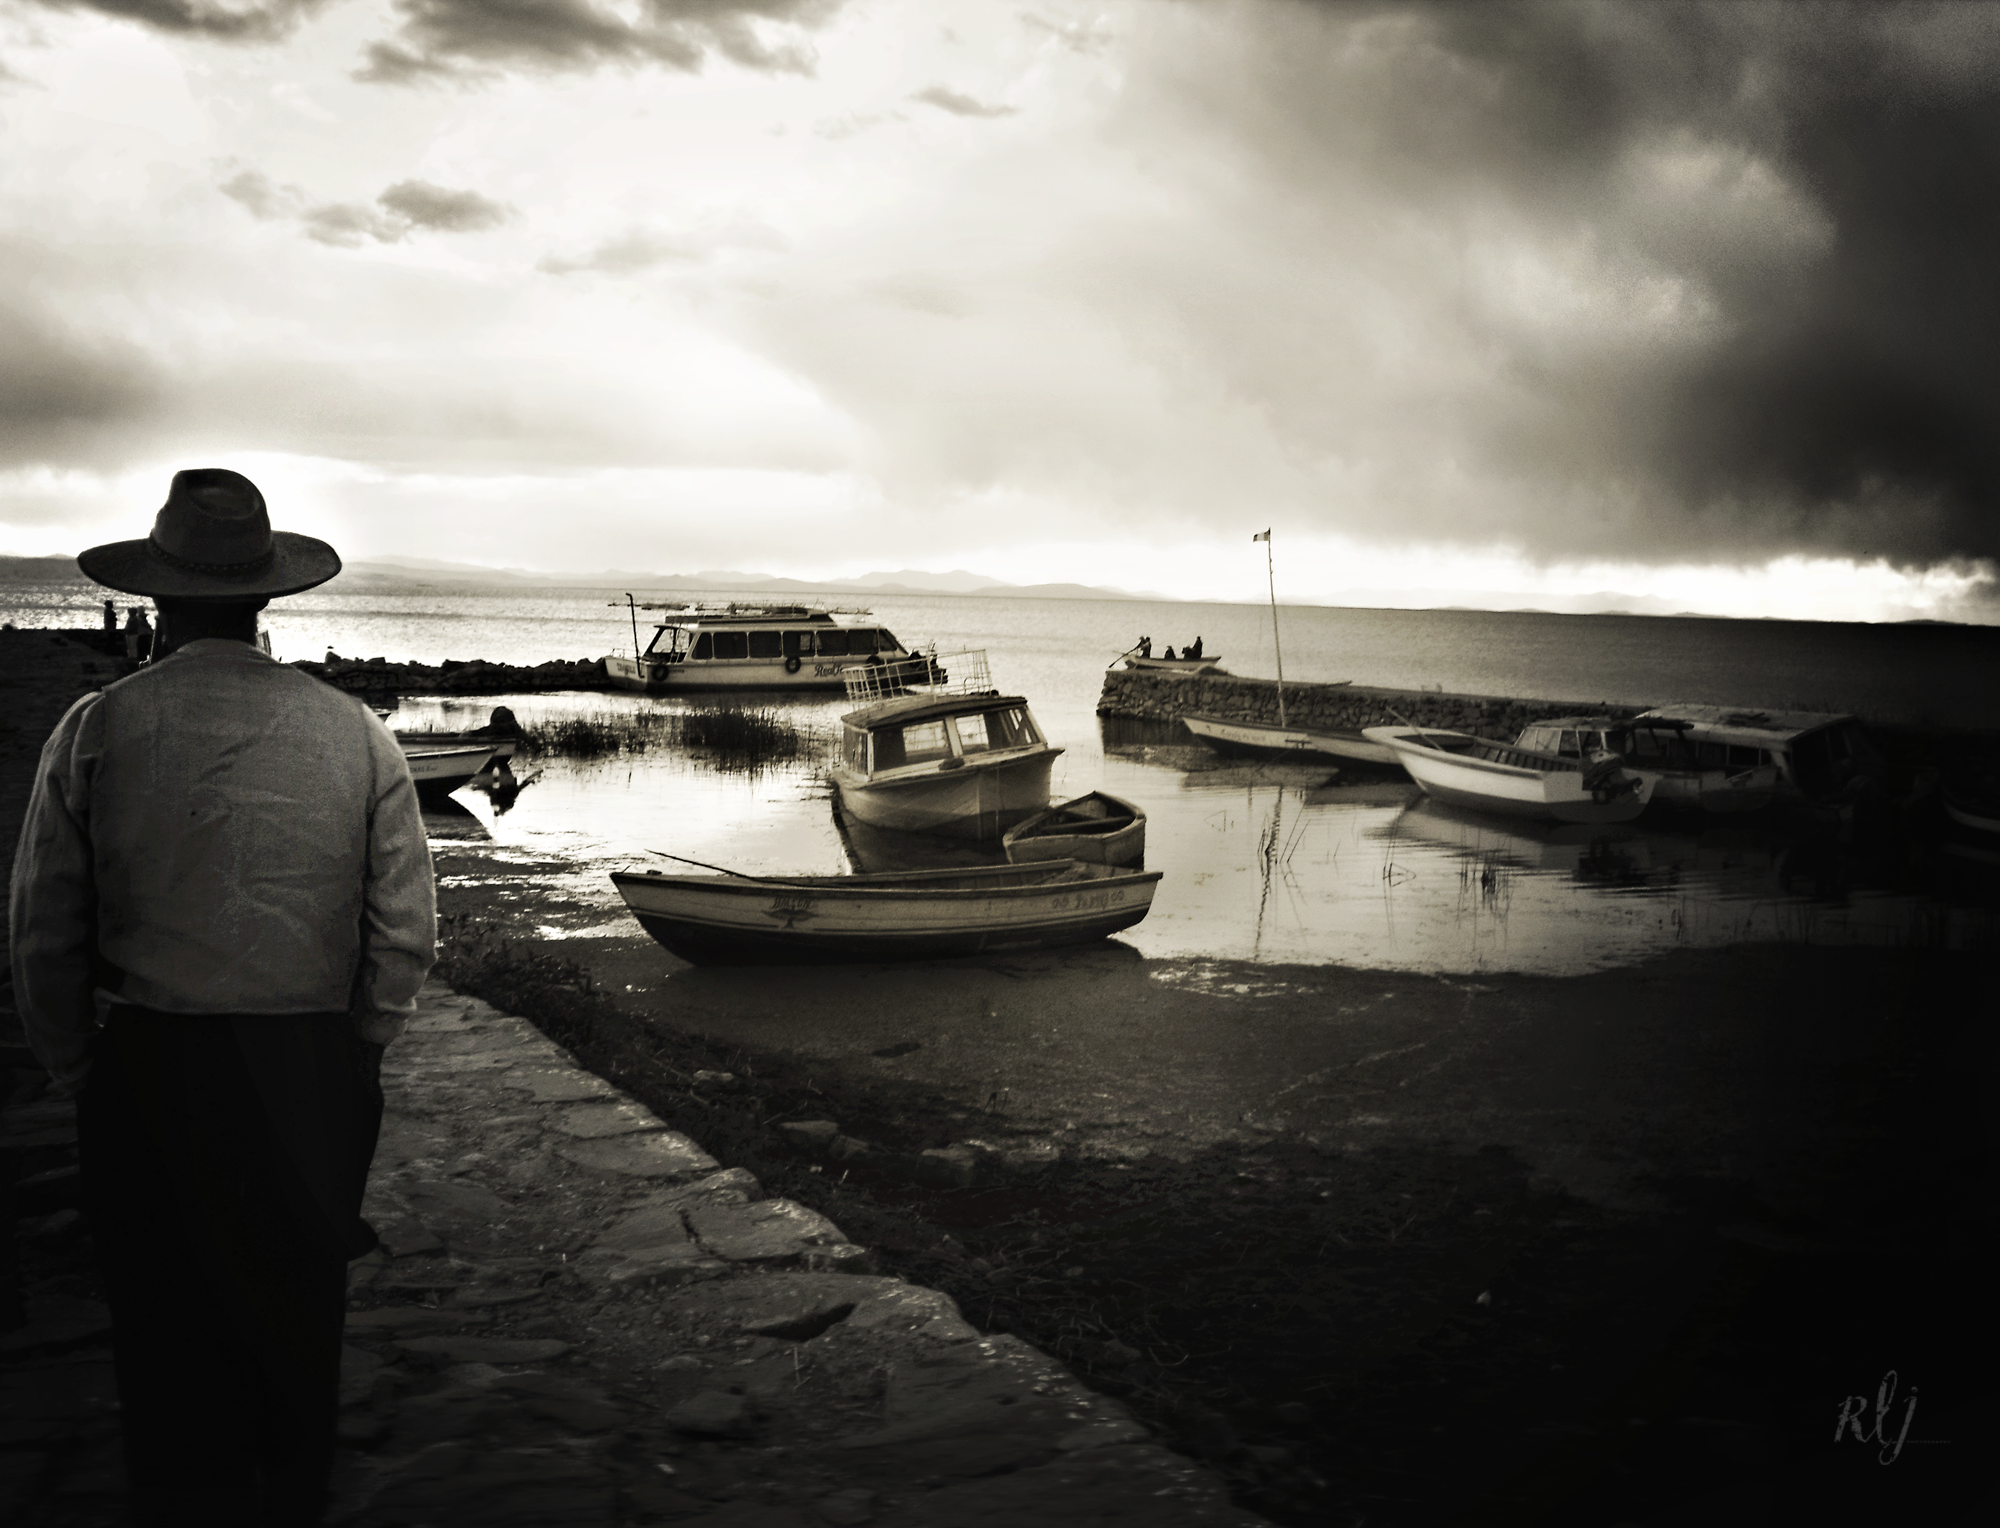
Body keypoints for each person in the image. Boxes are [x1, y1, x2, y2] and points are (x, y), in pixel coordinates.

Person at [10, 468, 436, 1527]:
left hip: (150, 1066)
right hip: (306, 1068)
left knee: (163, 1329)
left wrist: (80, 1066)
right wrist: (359, 1048)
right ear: (265, 598)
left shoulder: (99, 726)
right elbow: (403, 929)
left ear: (160, 597)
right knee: (297, 1323)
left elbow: (44, 927)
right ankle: (288, 1494)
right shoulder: (355, 734)